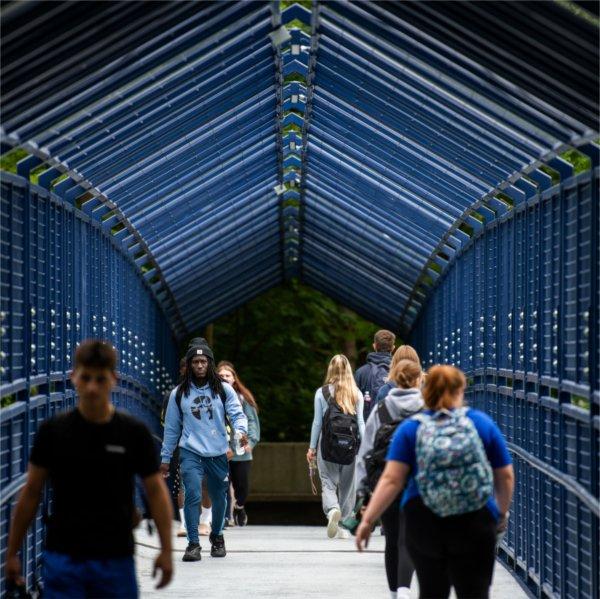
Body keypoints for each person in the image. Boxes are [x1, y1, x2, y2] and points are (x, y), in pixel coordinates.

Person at [5, 340, 173, 598]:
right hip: (64, 557)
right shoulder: (54, 432)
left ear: (113, 379)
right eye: (86, 378)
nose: (92, 387)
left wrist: (166, 550)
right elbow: (31, 492)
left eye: (100, 379)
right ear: (74, 377)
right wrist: (13, 552)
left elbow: (156, 491)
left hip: (115, 558)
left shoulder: (132, 433)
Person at [356, 365, 515, 599]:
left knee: (432, 591)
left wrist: (368, 519)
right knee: (475, 592)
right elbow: (506, 475)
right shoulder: (480, 422)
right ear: (460, 390)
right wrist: (500, 514)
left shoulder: (412, 429)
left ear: (426, 391)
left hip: (424, 520)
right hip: (475, 519)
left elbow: (391, 479)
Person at [160, 341, 248, 562]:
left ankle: (217, 536)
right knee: (193, 495)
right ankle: (193, 543)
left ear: (210, 363)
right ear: (189, 365)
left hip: (217, 451)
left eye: (203, 361)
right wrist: (165, 458)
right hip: (190, 451)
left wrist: (240, 431)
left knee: (220, 499)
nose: (199, 365)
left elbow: (237, 415)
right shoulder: (179, 393)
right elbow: (171, 428)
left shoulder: (224, 390)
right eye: (195, 362)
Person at [355, 359, 424, 599]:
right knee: (410, 536)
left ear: (394, 378)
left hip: (385, 480)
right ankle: (406, 588)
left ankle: (395, 593)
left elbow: (366, 451)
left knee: (392, 539)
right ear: (418, 380)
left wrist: (363, 490)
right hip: (419, 481)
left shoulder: (382, 408)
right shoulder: (427, 408)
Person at [307, 355, 365, 539]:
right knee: (348, 487)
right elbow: (361, 423)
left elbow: (317, 423)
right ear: (348, 369)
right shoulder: (356, 393)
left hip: (327, 445)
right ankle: (343, 526)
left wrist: (312, 448)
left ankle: (332, 509)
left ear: (330, 369)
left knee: (327, 482)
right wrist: (365, 448)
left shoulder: (321, 392)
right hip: (351, 447)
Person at [217, 361, 261, 527]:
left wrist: (250, 441)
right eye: (221, 376)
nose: (225, 378)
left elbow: (252, 422)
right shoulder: (212, 397)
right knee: (222, 484)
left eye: (228, 375)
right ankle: (225, 517)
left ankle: (239, 507)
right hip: (221, 449)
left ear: (234, 379)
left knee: (241, 486)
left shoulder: (243, 399)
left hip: (241, 450)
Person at [161, 358, 187, 537]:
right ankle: (185, 523)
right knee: (182, 484)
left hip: (209, 445)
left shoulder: (214, 392)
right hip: (182, 444)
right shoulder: (174, 394)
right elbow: (166, 423)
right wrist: (166, 456)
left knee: (206, 485)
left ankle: (206, 520)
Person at [354, 330, 396, 420]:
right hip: (391, 429)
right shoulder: (399, 372)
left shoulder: (361, 372)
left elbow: (353, 403)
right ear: (393, 348)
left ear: (374, 346)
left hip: (366, 427)